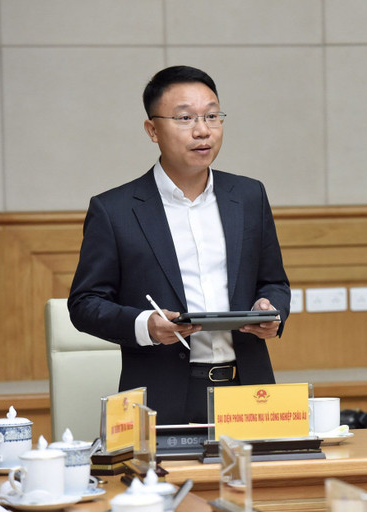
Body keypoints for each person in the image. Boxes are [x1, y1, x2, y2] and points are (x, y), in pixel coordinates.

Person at [68, 65, 291, 425]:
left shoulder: (249, 196)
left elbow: (274, 282)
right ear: (152, 130)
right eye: (185, 118)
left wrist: (272, 311)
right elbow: (84, 304)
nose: (202, 130)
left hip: (249, 389)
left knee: (256, 482)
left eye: (212, 116)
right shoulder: (115, 210)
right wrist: (146, 325)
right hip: (163, 394)